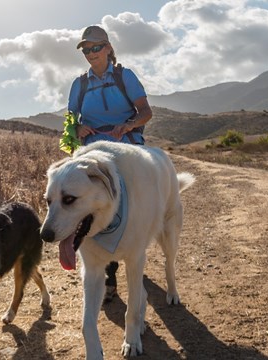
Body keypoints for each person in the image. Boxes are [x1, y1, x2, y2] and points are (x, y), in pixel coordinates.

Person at [67, 25, 153, 302]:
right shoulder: (79, 84)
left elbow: (145, 112)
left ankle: (134, 252)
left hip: (126, 148)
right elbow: (70, 122)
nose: (90, 54)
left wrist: (128, 126)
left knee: (133, 205)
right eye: (86, 50)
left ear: (107, 48)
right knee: (94, 209)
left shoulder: (124, 76)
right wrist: (77, 129)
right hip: (93, 152)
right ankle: (109, 277)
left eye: (95, 48)